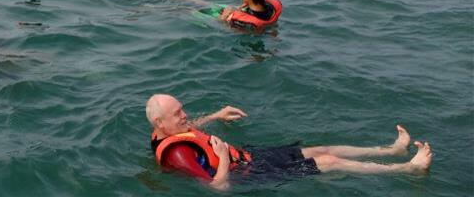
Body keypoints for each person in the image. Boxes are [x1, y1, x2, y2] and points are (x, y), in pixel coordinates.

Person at [145, 93, 433, 191]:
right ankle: (408, 169)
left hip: (249, 158)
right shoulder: (178, 154)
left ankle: (391, 150)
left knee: (321, 149)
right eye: (178, 113)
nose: (185, 115)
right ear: (160, 123)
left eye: (182, 109)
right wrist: (221, 158)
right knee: (329, 163)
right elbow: (218, 189)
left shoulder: (168, 129)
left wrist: (218, 115)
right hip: (248, 175)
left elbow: (190, 129)